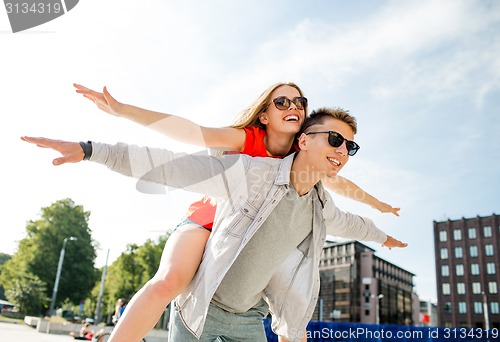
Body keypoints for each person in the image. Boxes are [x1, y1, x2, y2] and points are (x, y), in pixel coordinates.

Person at [22, 107, 407, 341]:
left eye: (350, 147)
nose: (343, 151)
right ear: (303, 140)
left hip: (251, 319)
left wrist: (385, 237)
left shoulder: (322, 208)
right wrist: (93, 150)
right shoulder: (251, 171)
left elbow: (355, 224)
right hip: (200, 310)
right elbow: (172, 165)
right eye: (336, 139)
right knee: (166, 282)